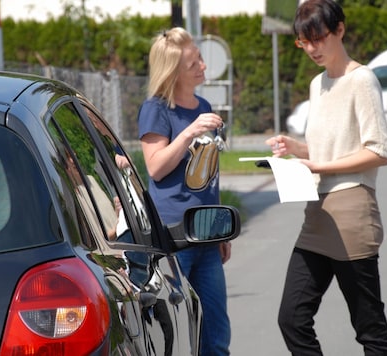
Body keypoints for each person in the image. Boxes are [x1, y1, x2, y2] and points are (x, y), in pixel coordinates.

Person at [266, 1, 387, 355]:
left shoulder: (362, 80)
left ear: (339, 29)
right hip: (317, 214)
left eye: (317, 38)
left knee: (369, 328)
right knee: (291, 318)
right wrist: (298, 148)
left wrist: (320, 167)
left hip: (353, 212)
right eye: (303, 42)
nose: (311, 48)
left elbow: (379, 151)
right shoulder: (317, 85)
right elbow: (330, 148)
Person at [137, 27, 232, 356]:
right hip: (175, 240)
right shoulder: (157, 109)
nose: (203, 66)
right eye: (194, 63)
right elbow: (155, 167)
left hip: (206, 236)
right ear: (173, 71)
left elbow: (209, 175)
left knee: (216, 338)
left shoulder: (203, 104)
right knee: (179, 337)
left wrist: (220, 229)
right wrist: (189, 132)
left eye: (200, 59)